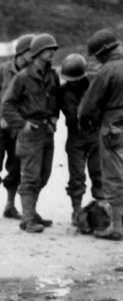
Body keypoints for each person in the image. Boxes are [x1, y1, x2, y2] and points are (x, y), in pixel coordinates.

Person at [1, 33, 61, 233]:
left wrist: (54, 118)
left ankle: (31, 212)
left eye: (53, 49)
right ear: (37, 53)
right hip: (30, 132)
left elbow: (55, 100)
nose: (52, 52)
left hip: (46, 131)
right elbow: (7, 106)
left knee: (44, 175)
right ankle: (27, 219)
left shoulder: (52, 76)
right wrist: (22, 124)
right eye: (47, 49)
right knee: (30, 177)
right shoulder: (23, 77)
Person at [0, 33, 35, 221]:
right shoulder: (1, 71)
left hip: (19, 127)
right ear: (20, 53)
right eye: (30, 52)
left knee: (16, 167)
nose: (33, 56)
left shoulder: (31, 74)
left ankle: (10, 206)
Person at [78, 28, 123, 240]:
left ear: (102, 52)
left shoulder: (106, 71)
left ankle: (116, 227)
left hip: (114, 130)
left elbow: (87, 107)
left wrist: (85, 122)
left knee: (114, 179)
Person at [58, 53, 105, 232]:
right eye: (70, 80)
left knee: (98, 173)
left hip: (94, 134)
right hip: (75, 136)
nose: (73, 83)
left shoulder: (94, 83)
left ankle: (102, 209)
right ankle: (77, 211)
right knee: (76, 176)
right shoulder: (62, 91)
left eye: (76, 79)